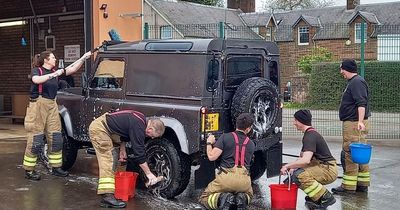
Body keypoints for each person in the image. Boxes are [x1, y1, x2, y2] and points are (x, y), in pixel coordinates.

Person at [23, 50, 92, 181]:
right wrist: (55, 74)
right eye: (53, 57)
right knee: (36, 139)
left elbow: (72, 69)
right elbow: (36, 80)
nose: (55, 59)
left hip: (52, 105)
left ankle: (56, 167)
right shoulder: (37, 71)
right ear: (46, 60)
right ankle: (29, 170)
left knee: (56, 137)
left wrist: (83, 58)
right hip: (38, 105)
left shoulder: (55, 71)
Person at [89, 110, 165, 208]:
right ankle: (107, 196)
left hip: (110, 131)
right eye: (153, 136)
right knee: (108, 159)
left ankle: (116, 189)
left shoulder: (140, 120)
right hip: (100, 129)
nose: (152, 138)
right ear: (150, 129)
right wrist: (149, 174)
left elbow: (125, 132)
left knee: (118, 160)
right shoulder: (139, 126)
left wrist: (122, 148)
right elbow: (139, 154)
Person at [281, 109, 338, 209]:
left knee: (299, 175)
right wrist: (292, 168)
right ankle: (317, 197)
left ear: (301, 121)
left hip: (327, 169)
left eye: (295, 120)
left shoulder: (310, 136)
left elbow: (306, 160)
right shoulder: (309, 134)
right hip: (323, 167)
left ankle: (326, 197)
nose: (294, 123)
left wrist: (287, 166)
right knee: (295, 173)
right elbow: (301, 158)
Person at [199, 113, 255, 210]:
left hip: (226, 179)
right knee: (249, 195)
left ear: (236, 124)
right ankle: (242, 198)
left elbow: (212, 157)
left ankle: (222, 198)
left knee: (204, 197)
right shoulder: (251, 144)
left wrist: (209, 142)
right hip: (244, 181)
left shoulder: (225, 137)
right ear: (248, 129)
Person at [332, 59, 371, 195]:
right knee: (360, 154)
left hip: (354, 123)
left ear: (346, 68)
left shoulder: (356, 82)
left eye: (342, 69)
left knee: (350, 153)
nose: (341, 72)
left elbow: (362, 103)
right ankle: (362, 184)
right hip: (356, 122)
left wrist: (359, 121)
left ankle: (348, 187)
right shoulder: (356, 81)